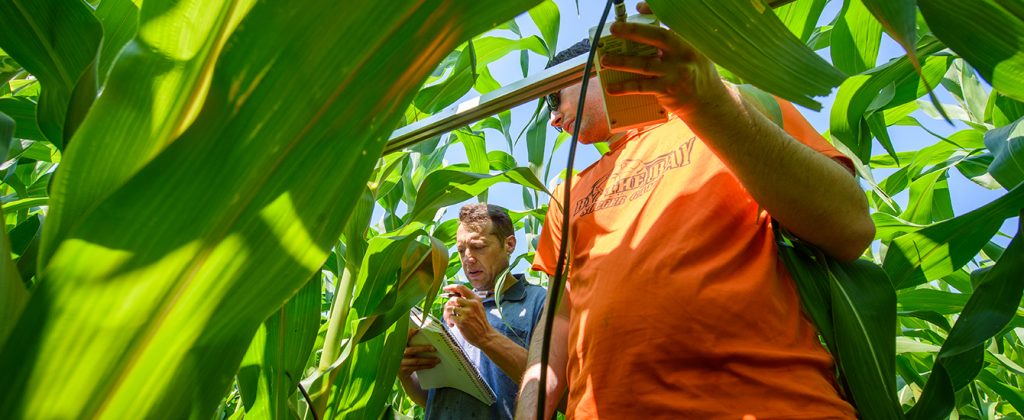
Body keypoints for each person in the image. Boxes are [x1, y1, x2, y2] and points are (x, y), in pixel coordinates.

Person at [516, 2, 875, 419]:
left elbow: (852, 227)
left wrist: (708, 101)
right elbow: (558, 324)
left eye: (553, 99)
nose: (556, 120)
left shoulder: (727, 110)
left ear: (595, 67)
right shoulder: (569, 193)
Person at [399, 203, 547, 419]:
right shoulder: (455, 306)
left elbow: (552, 384)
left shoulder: (539, 302)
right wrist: (404, 374)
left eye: (478, 246)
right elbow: (431, 399)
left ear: (510, 244)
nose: (468, 258)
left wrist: (485, 336)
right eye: (461, 250)